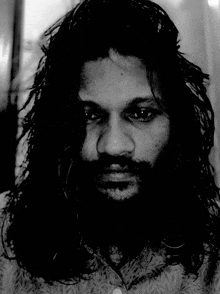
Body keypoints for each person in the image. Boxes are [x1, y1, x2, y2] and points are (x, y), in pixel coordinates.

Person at [1, 0, 220, 293]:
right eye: (88, 115)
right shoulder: (5, 242)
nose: (113, 146)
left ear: (177, 126)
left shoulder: (214, 253)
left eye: (141, 114)